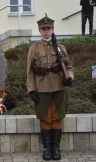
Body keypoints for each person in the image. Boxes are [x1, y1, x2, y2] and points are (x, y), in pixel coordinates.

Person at [27, 15, 74, 161]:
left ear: (53, 29)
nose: (46, 31)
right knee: (46, 118)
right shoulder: (34, 49)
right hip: (42, 88)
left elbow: (69, 67)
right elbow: (29, 71)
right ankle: (47, 148)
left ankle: (56, 148)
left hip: (60, 87)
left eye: (48, 29)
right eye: (43, 29)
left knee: (58, 117)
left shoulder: (60, 47)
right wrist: (31, 89)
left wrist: (70, 78)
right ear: (39, 31)